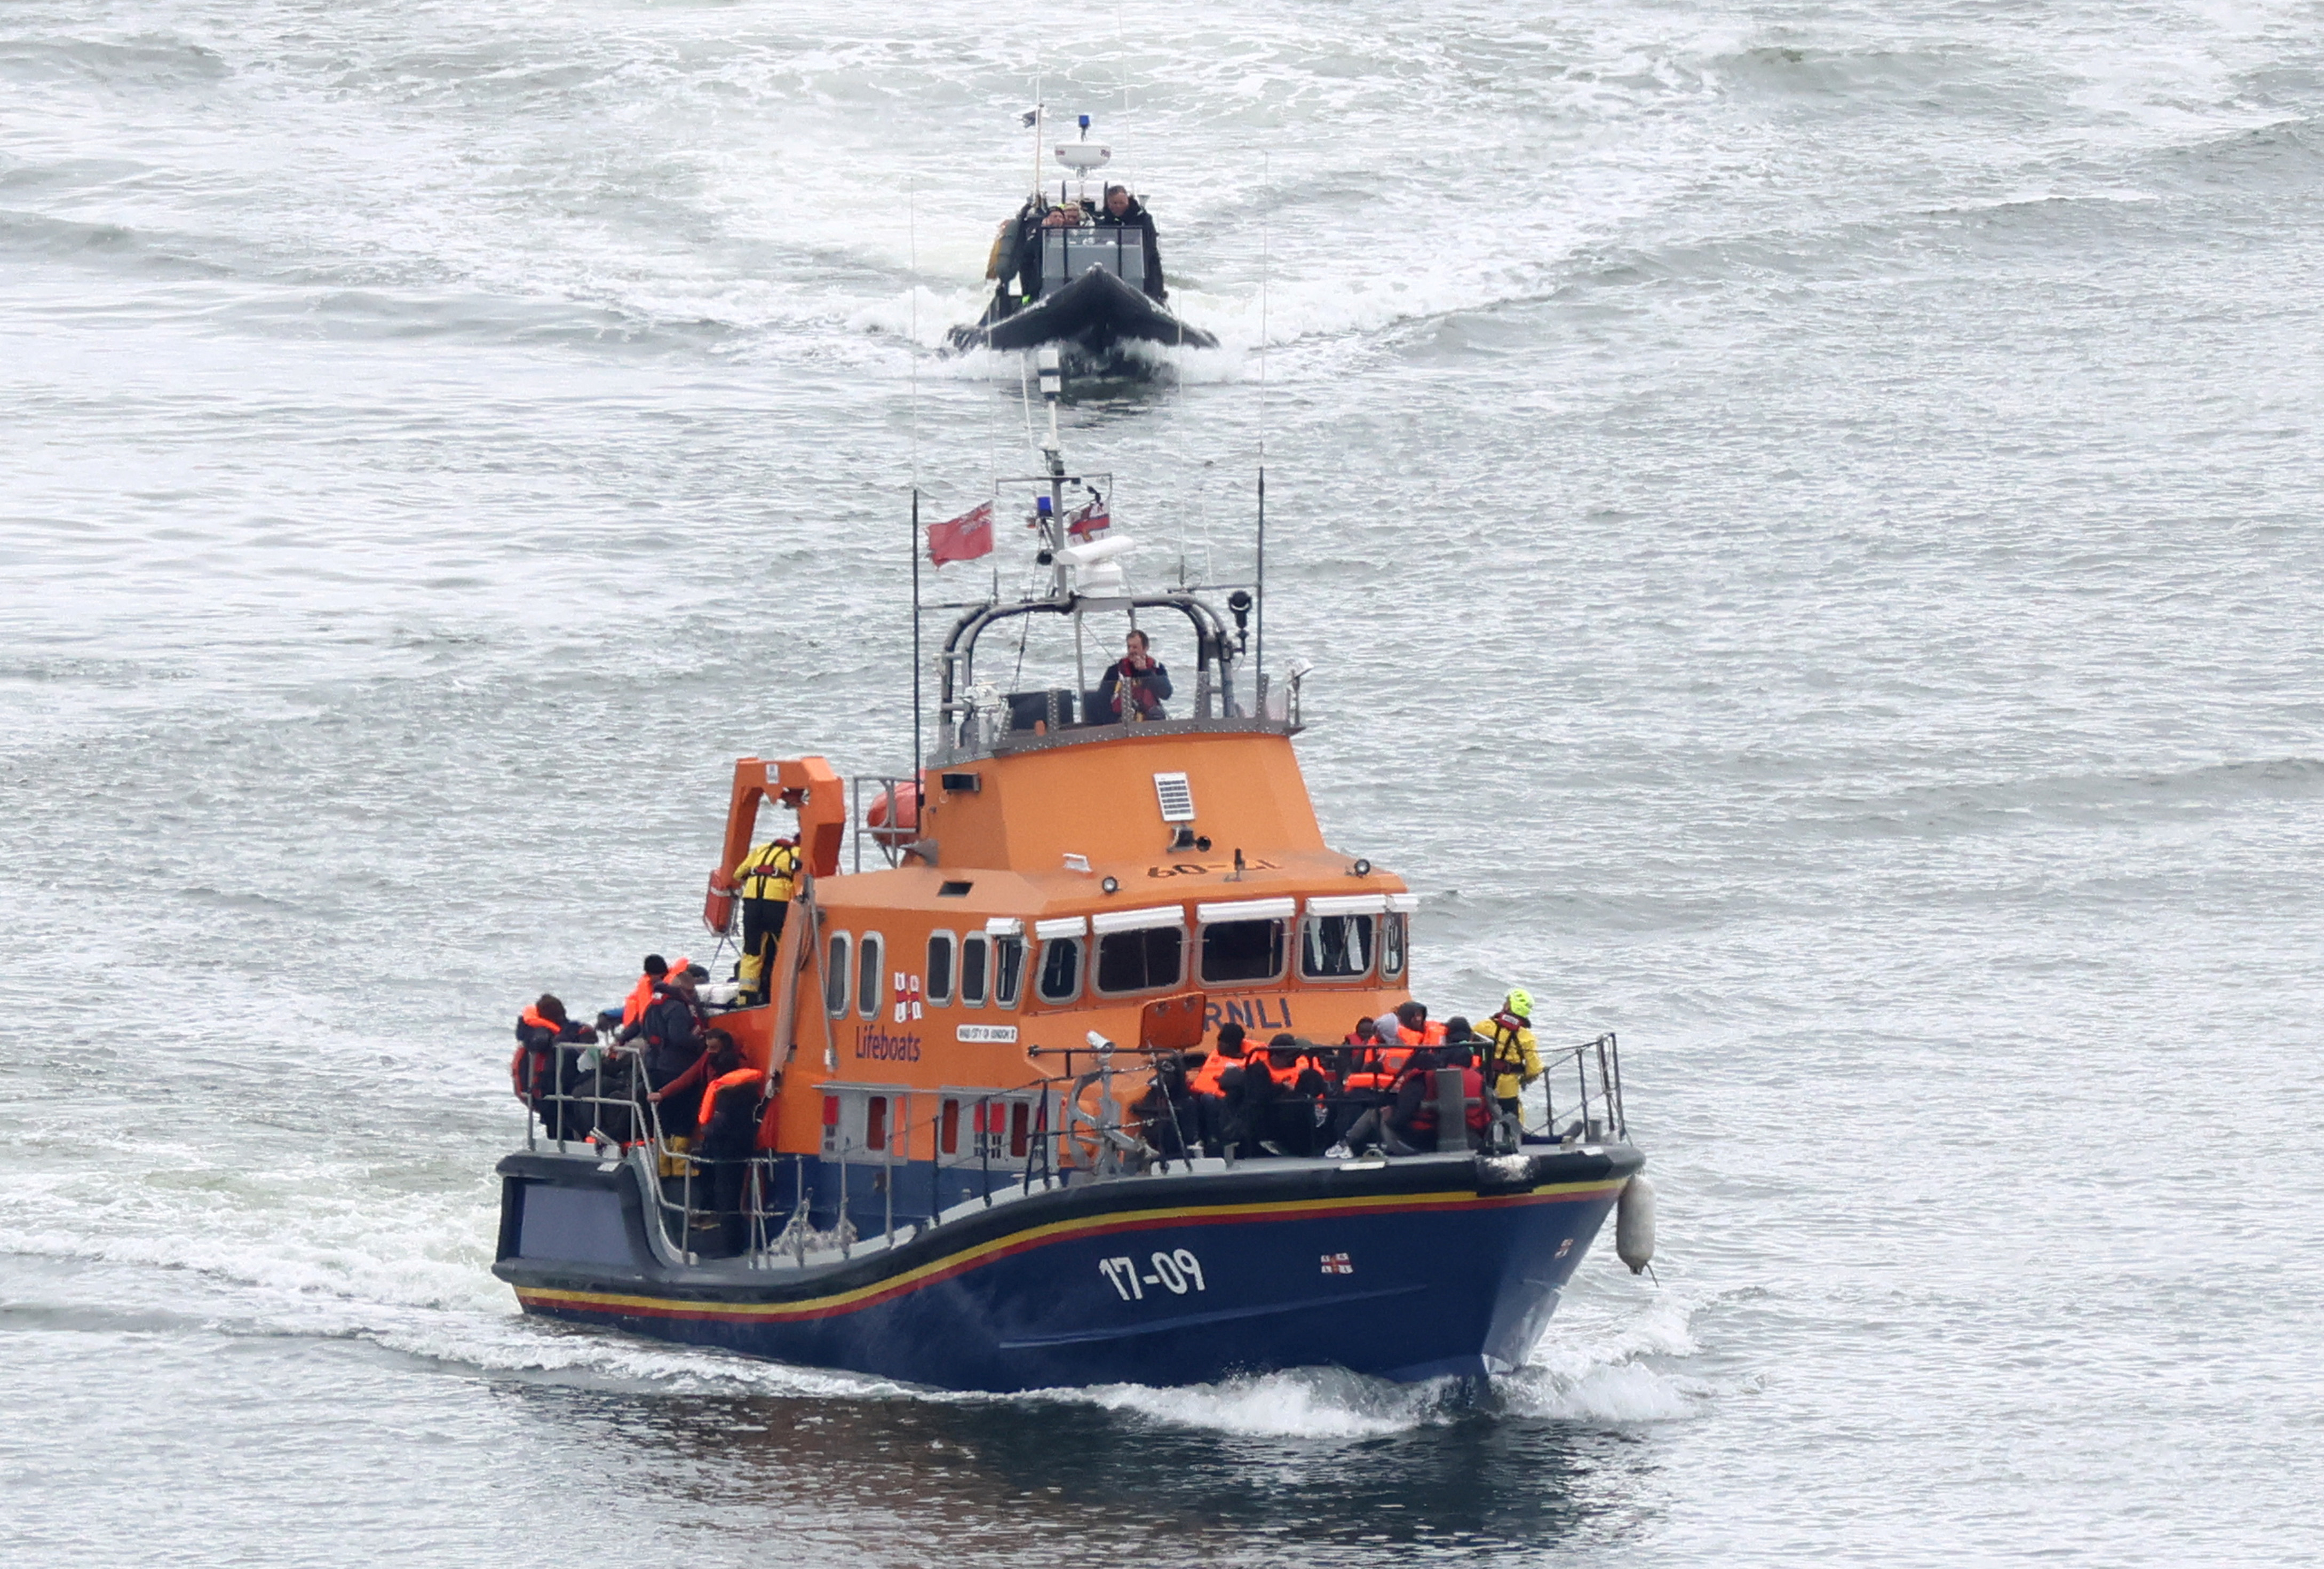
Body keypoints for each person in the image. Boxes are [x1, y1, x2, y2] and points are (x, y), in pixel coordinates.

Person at [693, 1039, 764, 1254]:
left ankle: (729, 1248)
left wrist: (705, 1131)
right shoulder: (750, 1089)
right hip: (744, 1147)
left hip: (726, 1150)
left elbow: (720, 1124)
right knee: (735, 1197)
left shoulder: (725, 1093)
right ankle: (737, 1243)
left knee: (727, 1199)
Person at [512, 994, 595, 1135]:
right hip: (549, 1089)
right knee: (558, 1124)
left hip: (561, 1088)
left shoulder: (570, 1029)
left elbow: (587, 1034)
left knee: (565, 1124)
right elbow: (539, 1043)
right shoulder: (536, 1033)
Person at [732, 836, 800, 1005]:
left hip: (752, 903)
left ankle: (746, 997)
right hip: (777, 902)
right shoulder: (797, 853)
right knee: (783, 949)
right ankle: (781, 993)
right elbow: (803, 883)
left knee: (752, 951)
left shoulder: (760, 850)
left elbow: (738, 874)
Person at [1091, 184, 1167, 302]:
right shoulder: (1103, 221)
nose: (1118, 206)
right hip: (1111, 266)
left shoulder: (1143, 219)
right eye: (1114, 203)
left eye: (1121, 203)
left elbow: (1148, 245)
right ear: (1108, 203)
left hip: (1144, 265)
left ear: (1128, 200)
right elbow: (1098, 242)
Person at [1479, 989, 1544, 1123]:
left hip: (1482, 1085)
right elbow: (1534, 1069)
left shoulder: (1485, 1026)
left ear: (1510, 1006)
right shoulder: (1527, 1037)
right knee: (1513, 1122)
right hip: (1507, 1091)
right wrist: (1524, 1079)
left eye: (1507, 1002)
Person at [1099, 628, 1172, 721]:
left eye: (1135, 647)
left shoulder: (1157, 669)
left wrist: (1146, 672)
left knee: (1157, 713)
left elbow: (1166, 694)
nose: (1131, 651)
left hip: (1149, 722)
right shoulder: (1115, 671)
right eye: (1129, 647)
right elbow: (1102, 701)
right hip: (1121, 723)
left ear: (1145, 648)